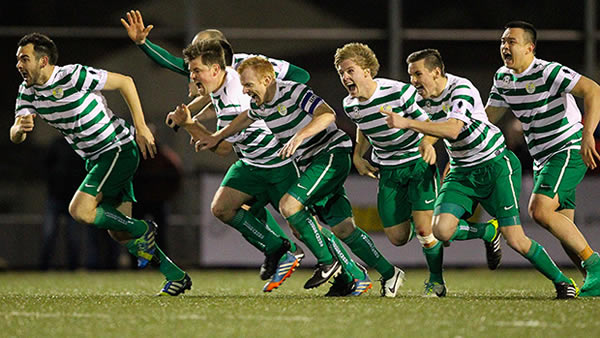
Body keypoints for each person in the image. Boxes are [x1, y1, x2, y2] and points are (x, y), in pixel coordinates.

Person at [167, 40, 370, 295]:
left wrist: (190, 124)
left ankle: (354, 272)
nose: (192, 75)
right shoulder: (227, 80)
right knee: (222, 207)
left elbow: (222, 149)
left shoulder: (232, 96)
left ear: (216, 69)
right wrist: (195, 117)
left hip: (277, 165)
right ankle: (279, 249)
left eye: (196, 70)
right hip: (251, 164)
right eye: (191, 70)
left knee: (303, 226)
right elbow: (218, 106)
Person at [195, 56, 405, 297]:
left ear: (267, 79)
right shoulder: (261, 104)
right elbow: (245, 117)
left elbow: (327, 115)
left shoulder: (293, 91)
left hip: (330, 154)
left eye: (249, 85)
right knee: (343, 228)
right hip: (310, 163)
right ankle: (389, 273)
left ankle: (328, 262)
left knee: (289, 205)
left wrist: (299, 136)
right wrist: (217, 136)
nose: (244, 90)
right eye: (243, 85)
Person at [382, 48, 579, 299]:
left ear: (436, 72)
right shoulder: (419, 98)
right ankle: (486, 232)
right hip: (461, 170)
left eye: (418, 74)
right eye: (411, 75)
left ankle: (563, 281)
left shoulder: (460, 88)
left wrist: (408, 124)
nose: (413, 81)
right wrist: (424, 142)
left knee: (516, 239)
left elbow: (453, 129)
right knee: (441, 230)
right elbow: (431, 127)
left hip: (495, 165)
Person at [11, 32, 191, 296]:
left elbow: (125, 82)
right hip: (97, 159)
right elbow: (15, 134)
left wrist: (141, 127)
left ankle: (143, 227)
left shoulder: (72, 75)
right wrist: (19, 128)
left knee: (80, 210)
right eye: (17, 59)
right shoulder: (27, 92)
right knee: (119, 232)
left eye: (24, 58)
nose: (18, 64)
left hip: (117, 148)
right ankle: (175, 275)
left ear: (43, 60)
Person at [334, 42, 500, 297]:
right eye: (341, 72)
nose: (345, 77)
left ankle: (437, 282)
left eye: (350, 70)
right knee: (397, 237)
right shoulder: (350, 104)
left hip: (417, 164)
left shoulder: (400, 92)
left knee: (426, 230)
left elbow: (432, 121)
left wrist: (428, 143)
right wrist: (358, 154)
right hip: (388, 170)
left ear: (367, 71)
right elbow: (363, 124)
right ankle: (486, 230)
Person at [485, 21, 600, 297]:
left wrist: (588, 135)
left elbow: (594, 90)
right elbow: (487, 118)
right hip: (542, 159)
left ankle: (596, 265)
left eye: (511, 41)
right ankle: (593, 280)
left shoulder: (549, 71)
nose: (504, 46)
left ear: (529, 47)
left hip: (567, 149)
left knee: (539, 210)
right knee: (563, 228)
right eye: (502, 41)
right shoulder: (503, 78)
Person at [39, 136, 86, 270]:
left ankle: (73, 267)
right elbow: (45, 166)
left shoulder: (81, 145)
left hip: (74, 198)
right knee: (49, 234)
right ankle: (43, 267)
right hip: (55, 196)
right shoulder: (57, 144)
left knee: (74, 236)